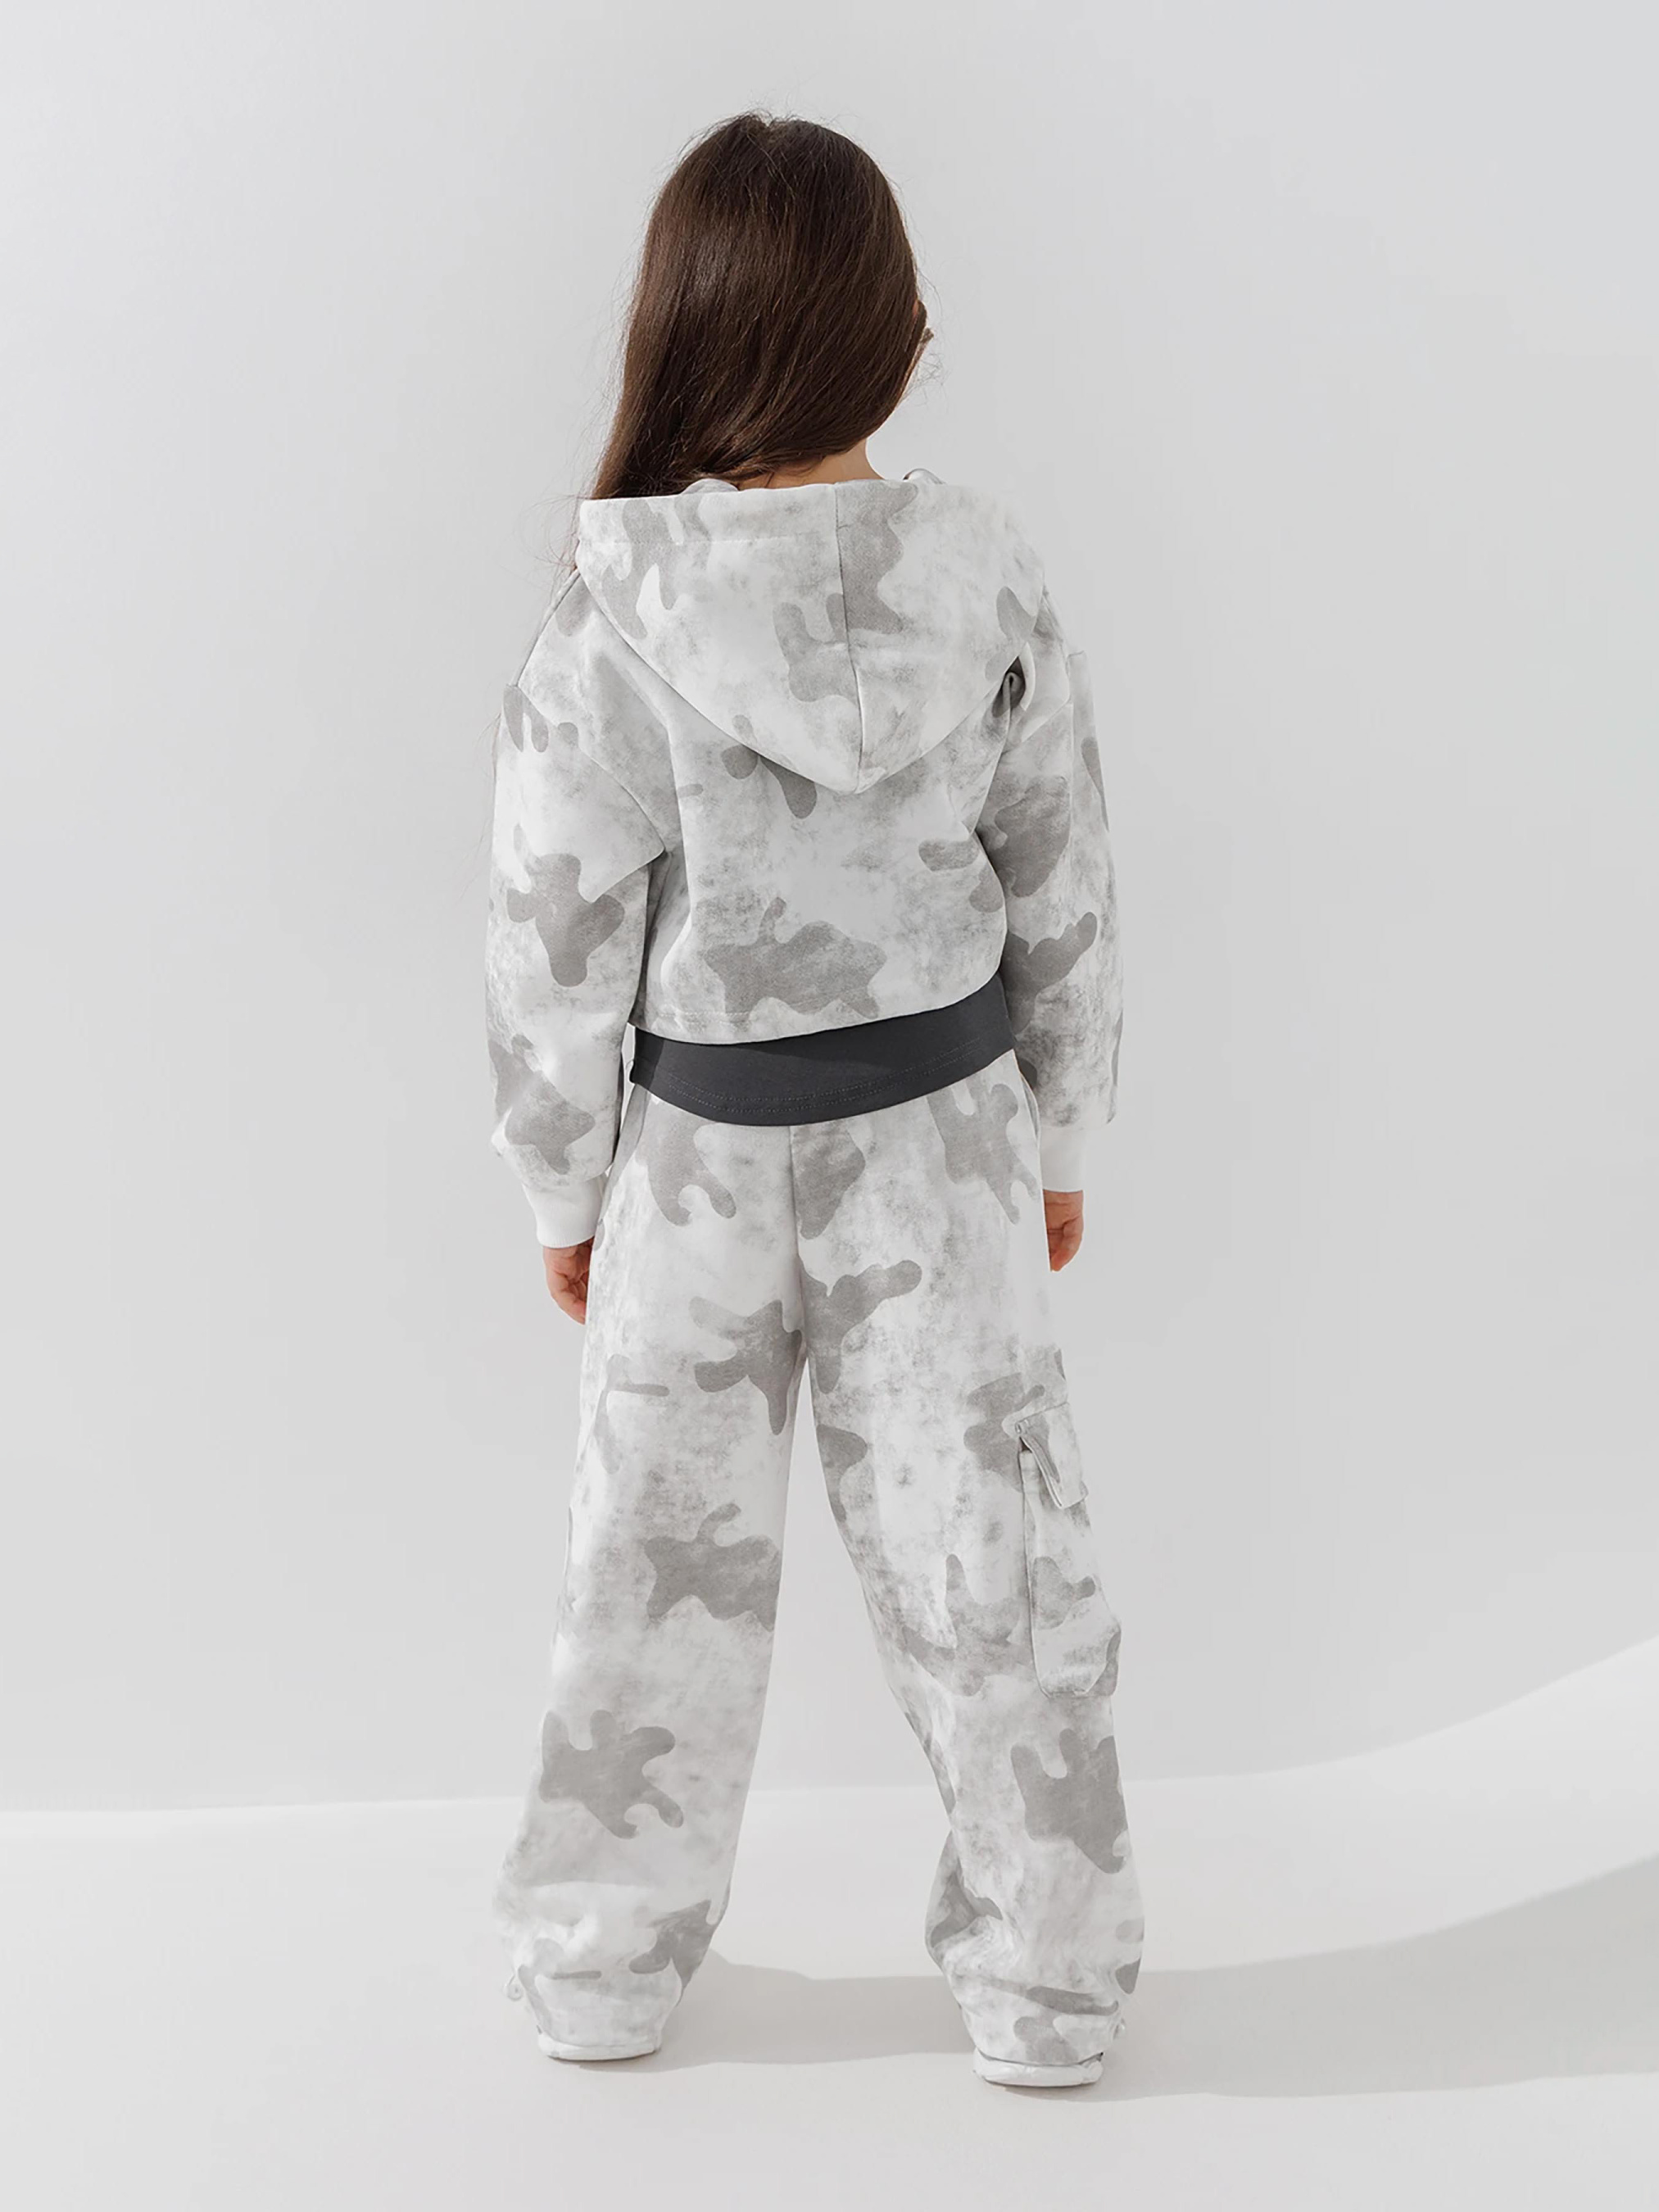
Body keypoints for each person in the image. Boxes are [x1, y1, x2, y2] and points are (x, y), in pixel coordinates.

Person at [483, 108, 1143, 2090]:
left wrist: (562, 1194)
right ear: (895, 332)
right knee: (991, 1555)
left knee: (648, 1572)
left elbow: (549, 939)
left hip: (694, 1164)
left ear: (686, 331)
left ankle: (598, 1969)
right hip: (945, 1142)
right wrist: (1061, 1134)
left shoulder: (614, 610)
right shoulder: (983, 577)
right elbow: (1065, 876)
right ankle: (1048, 1984)